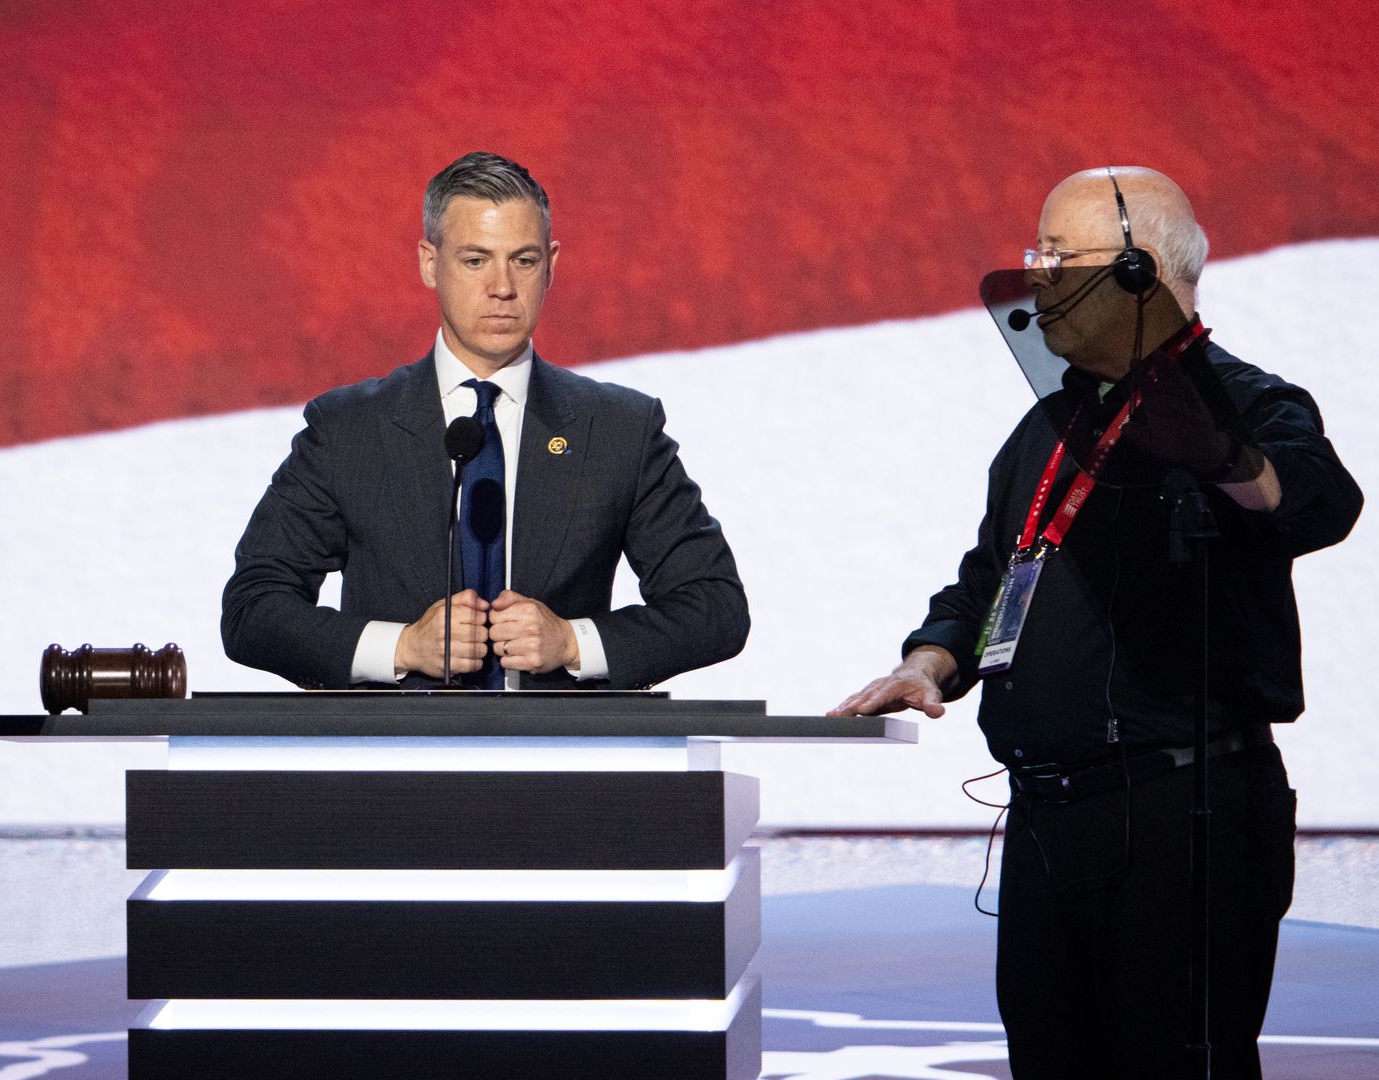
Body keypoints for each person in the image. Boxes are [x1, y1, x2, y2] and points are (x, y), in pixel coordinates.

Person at [830, 166, 1362, 1077]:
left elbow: (1314, 501)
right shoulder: (1048, 428)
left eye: (1056, 255)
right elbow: (994, 577)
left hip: (1181, 817)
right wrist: (930, 662)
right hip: (1048, 820)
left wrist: (1227, 459)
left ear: (1136, 270)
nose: (1036, 277)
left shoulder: (1248, 404)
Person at [222, 151, 745, 690]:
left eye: (523, 260)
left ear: (552, 264)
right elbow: (253, 609)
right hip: (396, 763)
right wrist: (401, 646)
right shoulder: (349, 431)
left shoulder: (618, 430)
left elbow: (714, 606)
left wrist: (572, 641)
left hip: (564, 764)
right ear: (430, 263)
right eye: (475, 260)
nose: (502, 287)